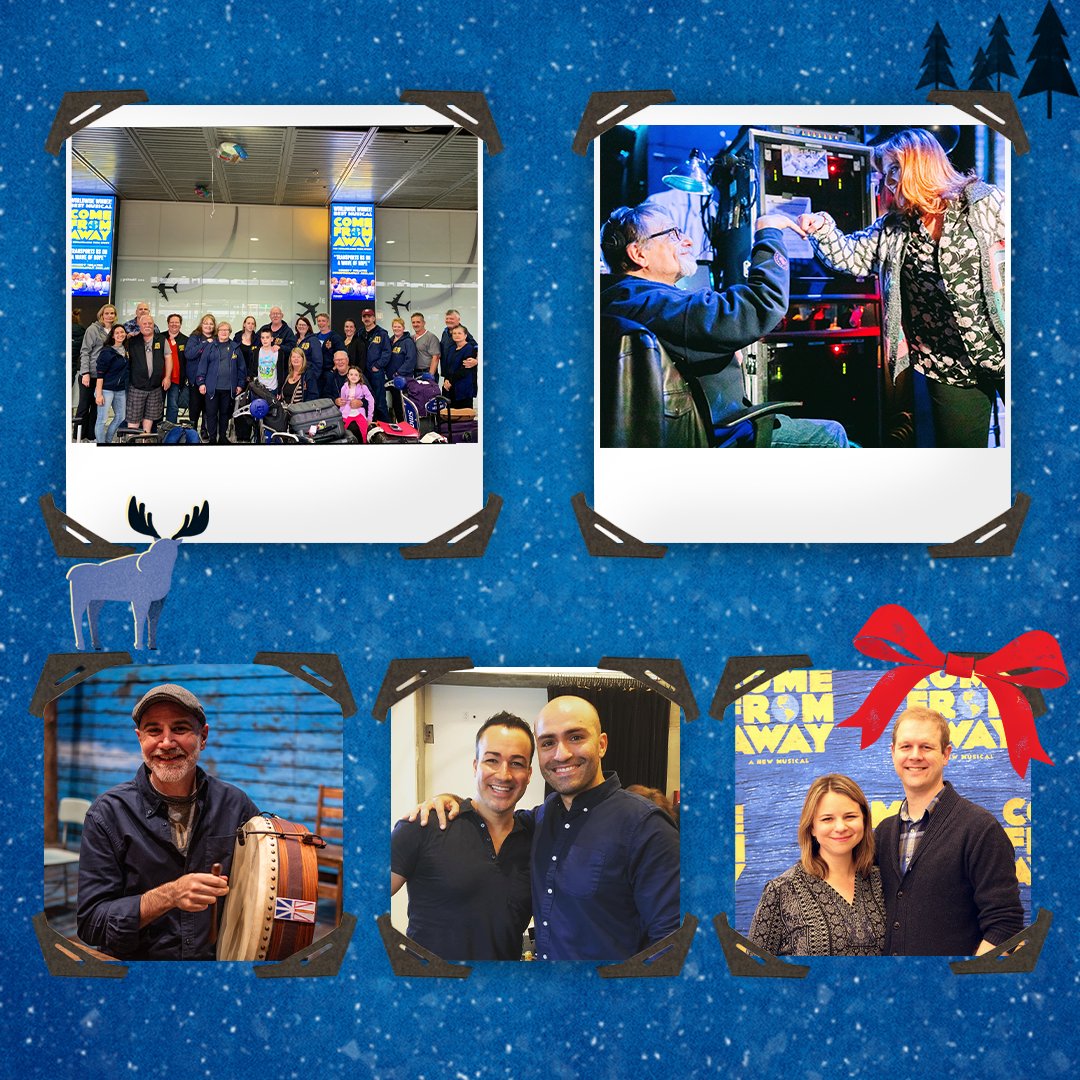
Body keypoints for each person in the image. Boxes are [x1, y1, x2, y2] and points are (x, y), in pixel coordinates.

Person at [415, 696, 681, 962]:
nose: (561, 754)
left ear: (601, 745)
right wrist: (448, 800)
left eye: (575, 737)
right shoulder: (541, 819)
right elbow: (493, 817)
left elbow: (671, 943)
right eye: (548, 742)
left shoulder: (645, 826)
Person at [799, 128, 1006, 447]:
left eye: (894, 168)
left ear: (922, 161)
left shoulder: (982, 203)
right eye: (885, 173)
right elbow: (851, 256)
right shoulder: (895, 228)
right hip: (948, 367)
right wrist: (822, 228)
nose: (888, 181)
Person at [599, 203, 850, 447]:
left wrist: (722, 353)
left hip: (706, 428)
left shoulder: (623, 300)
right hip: (724, 434)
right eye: (672, 234)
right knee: (831, 434)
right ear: (638, 254)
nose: (687, 241)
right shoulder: (655, 303)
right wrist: (768, 232)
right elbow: (762, 304)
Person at [77, 683, 259, 960]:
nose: (166, 742)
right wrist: (169, 895)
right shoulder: (107, 814)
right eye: (154, 730)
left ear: (203, 736)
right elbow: (91, 923)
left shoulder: (236, 804)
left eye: (180, 729)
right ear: (140, 738)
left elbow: (271, 872)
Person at [875, 707, 1024, 956]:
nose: (915, 756)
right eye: (905, 747)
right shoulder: (883, 833)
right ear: (892, 753)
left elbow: (1005, 926)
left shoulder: (980, 828)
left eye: (926, 747)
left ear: (946, 754)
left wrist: (963, 982)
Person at [391, 713, 535, 961]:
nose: (504, 774)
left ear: (529, 774)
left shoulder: (536, 839)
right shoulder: (424, 825)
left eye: (517, 763)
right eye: (492, 760)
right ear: (475, 765)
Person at [747, 774, 886, 957]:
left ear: (865, 821)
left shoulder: (882, 882)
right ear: (811, 827)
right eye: (827, 819)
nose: (840, 827)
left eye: (850, 816)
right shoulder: (782, 890)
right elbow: (752, 970)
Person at [194, 320, 245, 445]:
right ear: (217, 332)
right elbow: (202, 366)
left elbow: (241, 368)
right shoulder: (210, 347)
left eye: (226, 330)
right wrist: (201, 383)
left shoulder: (235, 347)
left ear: (229, 332)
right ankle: (212, 438)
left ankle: (222, 437)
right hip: (212, 388)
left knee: (224, 414)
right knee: (211, 414)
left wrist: (240, 384)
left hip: (228, 389)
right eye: (221, 330)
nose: (224, 332)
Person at [75, 303, 118, 441]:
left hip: (104, 376)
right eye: (107, 313)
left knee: (96, 408)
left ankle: (92, 436)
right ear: (101, 315)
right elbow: (85, 351)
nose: (109, 316)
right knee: (83, 406)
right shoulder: (93, 329)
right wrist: (85, 373)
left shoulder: (115, 331)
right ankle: (78, 436)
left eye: (112, 313)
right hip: (90, 374)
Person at [125, 313, 171, 435]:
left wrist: (167, 377)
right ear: (139, 325)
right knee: (134, 417)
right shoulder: (132, 341)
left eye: (150, 323)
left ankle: (144, 440)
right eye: (144, 323)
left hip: (155, 386)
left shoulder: (161, 339)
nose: (147, 326)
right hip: (136, 386)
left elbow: (168, 357)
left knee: (150, 416)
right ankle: (132, 440)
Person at [93, 324, 129, 444]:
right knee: (102, 420)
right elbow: (100, 375)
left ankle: (108, 441)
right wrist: (98, 394)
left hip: (120, 390)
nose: (120, 335)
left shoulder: (126, 350)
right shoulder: (107, 352)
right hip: (106, 390)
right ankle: (101, 444)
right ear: (113, 336)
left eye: (122, 332)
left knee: (121, 417)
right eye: (117, 333)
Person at [184, 314, 218, 438]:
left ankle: (204, 430)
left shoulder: (217, 338)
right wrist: (204, 343)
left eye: (211, 323)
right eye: (206, 323)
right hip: (195, 380)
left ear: (214, 326)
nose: (208, 326)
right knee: (195, 407)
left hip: (211, 380)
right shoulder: (195, 337)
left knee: (208, 408)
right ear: (201, 324)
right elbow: (189, 354)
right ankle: (192, 432)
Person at [232, 316, 259, 442]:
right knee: (238, 405)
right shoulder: (237, 337)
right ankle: (239, 434)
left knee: (249, 406)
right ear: (244, 324)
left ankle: (247, 435)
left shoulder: (257, 339)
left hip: (252, 378)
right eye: (248, 323)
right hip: (238, 376)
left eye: (253, 323)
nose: (250, 325)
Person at [361, 308, 391, 421]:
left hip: (376, 372)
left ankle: (386, 427)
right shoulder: (360, 333)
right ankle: (370, 428)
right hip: (363, 373)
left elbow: (387, 352)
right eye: (365, 316)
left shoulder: (382, 333)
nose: (367, 318)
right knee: (366, 401)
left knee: (379, 402)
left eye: (369, 316)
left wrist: (378, 365)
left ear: (374, 318)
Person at [386, 317, 418, 420]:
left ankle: (404, 425)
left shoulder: (408, 342)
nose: (396, 328)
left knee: (401, 404)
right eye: (394, 326)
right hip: (391, 379)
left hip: (402, 379)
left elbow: (411, 360)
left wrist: (399, 373)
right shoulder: (390, 341)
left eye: (399, 326)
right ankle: (397, 424)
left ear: (403, 328)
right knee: (394, 403)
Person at [440, 324, 479, 409]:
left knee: (464, 417)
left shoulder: (470, 348)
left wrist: (450, 380)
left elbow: (464, 370)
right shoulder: (451, 349)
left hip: (463, 388)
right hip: (450, 387)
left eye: (459, 333)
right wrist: (446, 379)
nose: (456, 335)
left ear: (465, 335)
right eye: (454, 333)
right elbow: (448, 366)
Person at [162, 314, 189, 425]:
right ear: (168, 323)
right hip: (159, 378)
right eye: (171, 322)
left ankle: (170, 431)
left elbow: (187, 361)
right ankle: (156, 430)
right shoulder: (160, 337)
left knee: (173, 406)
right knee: (157, 405)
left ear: (180, 324)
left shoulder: (185, 340)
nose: (174, 324)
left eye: (176, 322)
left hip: (176, 379)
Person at [339, 365, 374, 442]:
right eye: (351, 374)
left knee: (364, 433)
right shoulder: (344, 388)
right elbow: (342, 403)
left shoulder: (363, 387)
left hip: (359, 413)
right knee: (341, 432)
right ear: (348, 376)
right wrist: (340, 415)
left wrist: (370, 417)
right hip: (347, 413)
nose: (353, 377)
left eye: (356, 375)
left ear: (359, 377)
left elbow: (371, 400)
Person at [293, 315, 324, 399]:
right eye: (299, 325)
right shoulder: (293, 339)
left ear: (308, 327)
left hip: (308, 375)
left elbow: (318, 361)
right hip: (295, 376)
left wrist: (312, 378)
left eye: (304, 325)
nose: (301, 327)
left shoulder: (313, 340)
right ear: (296, 326)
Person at [411, 313, 441, 380]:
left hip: (427, 372)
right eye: (413, 322)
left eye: (418, 322)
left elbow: (436, 357)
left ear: (424, 323)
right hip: (415, 373)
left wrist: (430, 376)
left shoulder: (431, 337)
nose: (415, 324)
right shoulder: (411, 338)